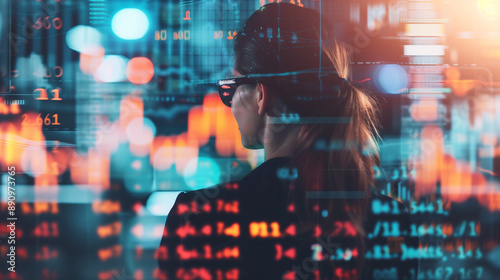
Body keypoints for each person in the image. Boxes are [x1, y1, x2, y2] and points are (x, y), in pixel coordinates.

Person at [158, 3, 418, 280]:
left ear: (261, 95)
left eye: (232, 87)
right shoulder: (389, 219)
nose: (230, 102)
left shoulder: (199, 216)